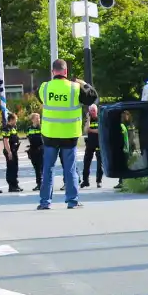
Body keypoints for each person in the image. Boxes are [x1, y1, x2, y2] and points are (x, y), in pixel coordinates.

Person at [36, 59, 97, 210]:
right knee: (70, 169)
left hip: (50, 134)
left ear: (52, 72)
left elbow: (41, 99)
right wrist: (84, 83)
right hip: (69, 134)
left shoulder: (44, 87)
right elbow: (92, 96)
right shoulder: (75, 88)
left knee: (48, 168)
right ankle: (72, 201)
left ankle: (45, 202)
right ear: (66, 72)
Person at [82, 103, 103, 188]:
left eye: (94, 111)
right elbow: (85, 130)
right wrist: (88, 119)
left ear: (96, 111)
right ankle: (85, 181)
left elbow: (100, 130)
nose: (92, 112)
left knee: (99, 163)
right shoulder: (89, 120)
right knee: (86, 162)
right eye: (91, 111)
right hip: (90, 143)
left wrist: (91, 130)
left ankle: (99, 181)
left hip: (98, 143)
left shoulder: (100, 119)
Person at [0, 111, 22, 192]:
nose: (16, 121)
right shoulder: (6, 128)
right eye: (15, 120)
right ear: (11, 120)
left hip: (14, 150)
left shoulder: (13, 128)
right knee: (11, 168)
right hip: (10, 150)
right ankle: (11, 186)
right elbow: (6, 141)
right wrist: (9, 152)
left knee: (15, 168)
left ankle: (15, 184)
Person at [26, 113, 44, 191]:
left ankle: (43, 184)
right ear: (32, 119)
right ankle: (39, 184)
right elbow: (29, 138)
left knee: (42, 167)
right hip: (33, 150)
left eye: (39, 118)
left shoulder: (42, 127)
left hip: (41, 149)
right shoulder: (29, 129)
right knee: (36, 168)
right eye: (36, 118)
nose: (38, 120)